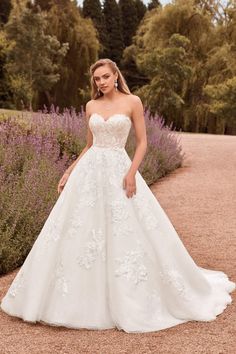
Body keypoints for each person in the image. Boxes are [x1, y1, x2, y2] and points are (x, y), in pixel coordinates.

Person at [1, 58, 235, 333]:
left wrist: (132, 173)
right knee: (79, 230)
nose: (100, 82)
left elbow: (143, 142)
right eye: (96, 79)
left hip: (119, 169)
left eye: (104, 77)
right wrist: (68, 171)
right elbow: (89, 145)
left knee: (126, 229)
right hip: (89, 173)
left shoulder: (132, 102)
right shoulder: (91, 106)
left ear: (115, 76)